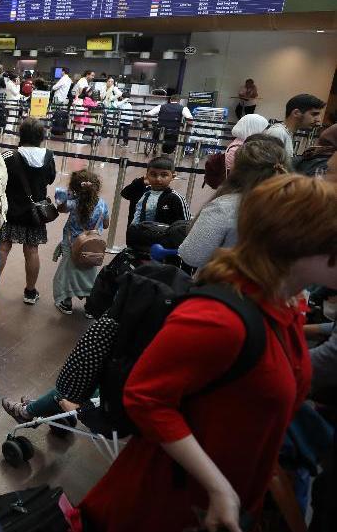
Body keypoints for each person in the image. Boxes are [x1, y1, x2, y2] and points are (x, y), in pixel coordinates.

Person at [80, 174, 333, 532]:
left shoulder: (289, 305)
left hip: (224, 497)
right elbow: (146, 396)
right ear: (299, 244)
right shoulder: (220, 318)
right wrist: (218, 487)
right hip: (172, 504)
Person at [179, 136, 289, 269]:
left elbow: (192, 256)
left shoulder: (225, 207)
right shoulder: (295, 206)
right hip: (274, 286)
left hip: (224, 284)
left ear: (237, 169)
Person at [0, 118, 57, 305]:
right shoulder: (49, 156)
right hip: (35, 213)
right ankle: (30, 292)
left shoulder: (9, 156)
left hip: (11, 210)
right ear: (41, 137)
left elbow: (0, 178)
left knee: (3, 247)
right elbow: (50, 179)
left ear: (21, 134)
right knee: (32, 250)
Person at [52, 169, 109, 316]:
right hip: (92, 246)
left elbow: (61, 208)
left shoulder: (73, 204)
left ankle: (67, 302)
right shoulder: (103, 204)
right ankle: (90, 306)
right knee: (90, 274)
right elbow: (106, 224)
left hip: (72, 244)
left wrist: (65, 194)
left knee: (68, 273)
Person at [121, 155, 189, 227]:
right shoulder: (142, 190)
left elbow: (185, 226)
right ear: (147, 175)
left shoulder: (175, 198)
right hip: (135, 236)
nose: (158, 179)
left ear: (172, 177)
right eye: (153, 175)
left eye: (164, 175)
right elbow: (125, 194)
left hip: (161, 237)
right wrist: (140, 181)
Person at [266, 93, 326, 164]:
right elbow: (269, 167)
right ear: (296, 113)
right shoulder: (278, 133)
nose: (318, 120)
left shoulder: (286, 132)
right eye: (314, 114)